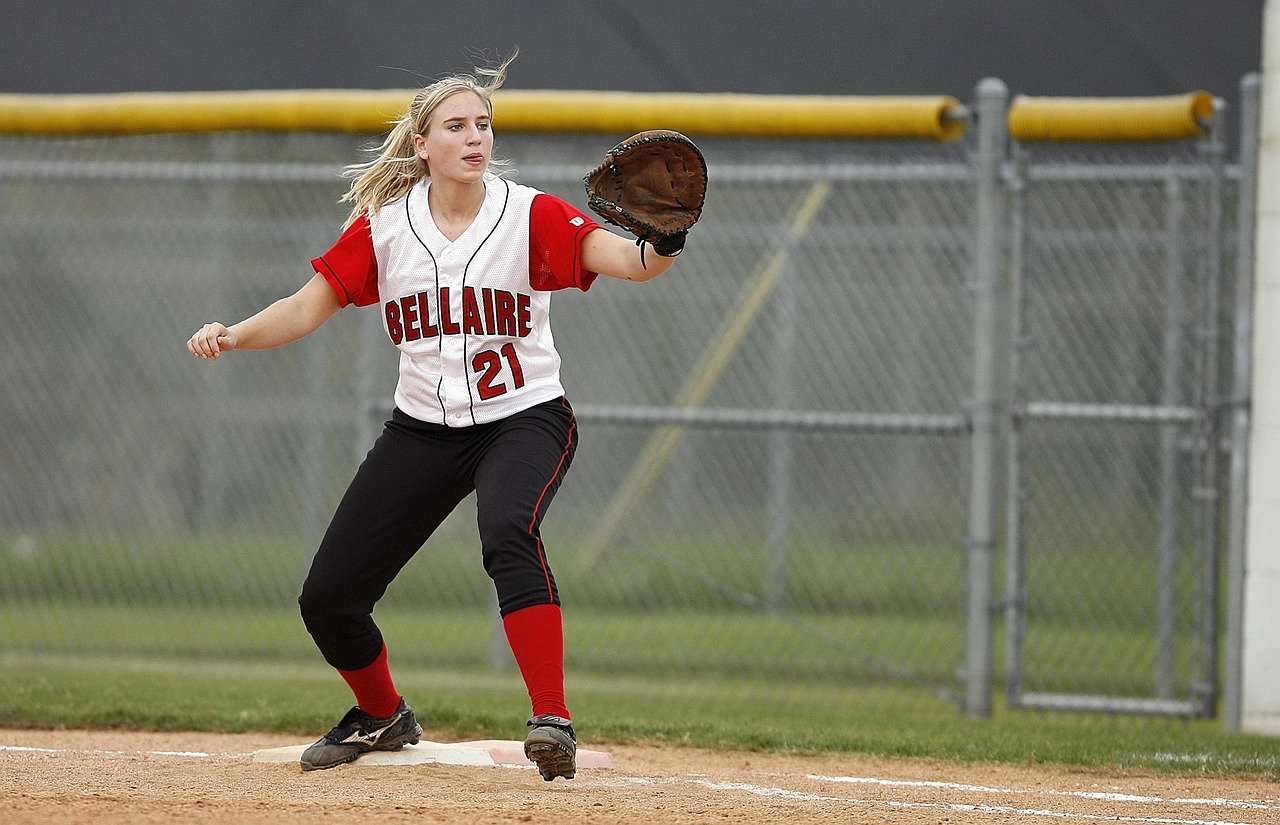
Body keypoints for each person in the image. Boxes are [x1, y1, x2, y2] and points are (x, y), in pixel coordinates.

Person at [185, 54, 686, 781]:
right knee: (328, 597)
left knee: (507, 527)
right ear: (422, 144)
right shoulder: (388, 229)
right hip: (422, 429)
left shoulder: (528, 214)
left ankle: (553, 718)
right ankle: (382, 715)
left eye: (482, 124)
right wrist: (233, 332)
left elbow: (632, 261)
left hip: (525, 418)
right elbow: (302, 309)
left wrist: (664, 240)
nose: (474, 136)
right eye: (455, 125)